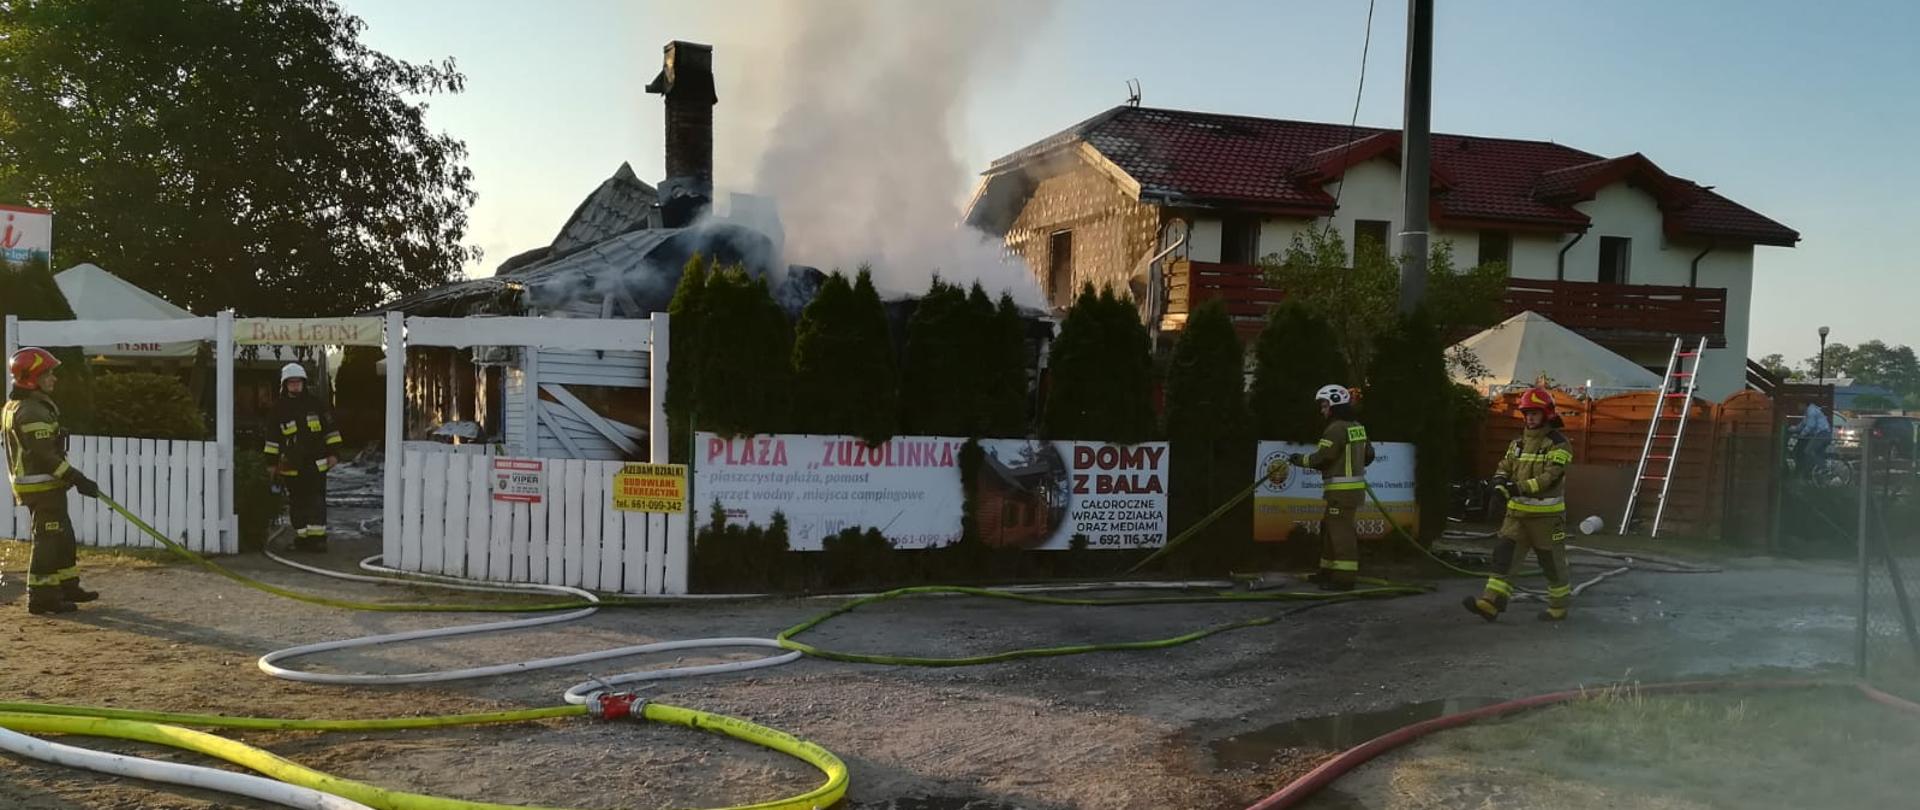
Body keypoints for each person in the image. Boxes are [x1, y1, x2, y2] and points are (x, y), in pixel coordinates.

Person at [3, 348, 102, 615]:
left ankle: (66, 585)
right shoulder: (31, 411)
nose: (54, 378)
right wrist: (76, 477)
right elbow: (44, 455)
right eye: (47, 373)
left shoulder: (28, 405)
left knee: (62, 535)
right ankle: (42, 596)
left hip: (46, 484)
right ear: (32, 378)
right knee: (48, 539)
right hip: (40, 485)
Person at [1464, 387, 1574, 623]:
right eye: (1527, 413)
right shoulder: (1517, 443)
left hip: (1547, 519)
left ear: (1547, 414)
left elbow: (1551, 477)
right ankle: (1491, 603)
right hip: (1517, 515)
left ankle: (1558, 607)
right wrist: (1498, 483)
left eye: (1535, 413)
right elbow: (1505, 465)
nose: (1530, 418)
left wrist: (1518, 488)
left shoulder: (1559, 444)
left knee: (1551, 564)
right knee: (1503, 558)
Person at [1288, 384, 1374, 591]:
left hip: (1340, 492)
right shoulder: (1356, 426)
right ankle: (1327, 571)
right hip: (1350, 492)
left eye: (1324, 405)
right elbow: (1370, 455)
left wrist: (1298, 460)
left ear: (1334, 404)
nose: (1322, 410)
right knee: (1329, 528)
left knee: (1340, 532)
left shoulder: (1335, 428)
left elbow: (1322, 458)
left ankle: (1344, 579)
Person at [266, 363, 341, 552]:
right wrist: (271, 464)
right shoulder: (278, 409)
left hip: (316, 463)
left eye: (298, 382)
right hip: (291, 464)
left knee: (316, 500)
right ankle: (302, 538)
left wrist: (333, 454)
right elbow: (272, 440)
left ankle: (318, 540)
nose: (295, 386)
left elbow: (331, 431)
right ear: (284, 385)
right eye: (291, 383)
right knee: (297, 502)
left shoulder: (317, 404)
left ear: (304, 383)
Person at [1794, 402, 1831, 481]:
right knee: (1815, 454)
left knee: (1808, 451)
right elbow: (1803, 424)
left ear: (1804, 404)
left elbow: (1810, 425)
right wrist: (1793, 429)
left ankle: (1824, 468)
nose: (1798, 407)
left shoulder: (1811, 411)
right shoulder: (1809, 411)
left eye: (1799, 405)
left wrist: (1801, 435)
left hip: (1822, 434)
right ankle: (1815, 475)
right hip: (1824, 434)